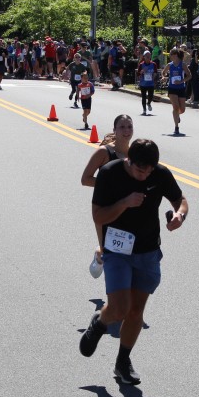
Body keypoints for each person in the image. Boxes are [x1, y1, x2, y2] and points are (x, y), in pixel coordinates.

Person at [79, 139, 188, 385]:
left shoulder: (159, 173)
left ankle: (122, 362)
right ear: (129, 161)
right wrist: (124, 203)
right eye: (140, 170)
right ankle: (100, 322)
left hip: (148, 251)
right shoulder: (110, 173)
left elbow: (180, 200)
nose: (145, 175)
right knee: (119, 309)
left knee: (136, 310)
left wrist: (180, 216)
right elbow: (98, 215)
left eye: (149, 171)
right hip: (117, 249)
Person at [81, 114, 134, 279]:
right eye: (122, 127)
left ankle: (122, 285)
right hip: (104, 207)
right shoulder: (104, 152)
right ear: (114, 130)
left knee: (128, 249)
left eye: (129, 127)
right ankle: (100, 255)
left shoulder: (134, 153)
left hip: (127, 207)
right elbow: (85, 179)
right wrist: (111, 185)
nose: (126, 131)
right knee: (108, 249)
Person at [164, 49, 191, 136]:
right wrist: (164, 77)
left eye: (171, 55)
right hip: (172, 88)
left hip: (181, 88)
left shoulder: (182, 64)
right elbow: (164, 73)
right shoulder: (169, 65)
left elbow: (189, 76)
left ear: (175, 55)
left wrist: (181, 81)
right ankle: (176, 127)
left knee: (182, 110)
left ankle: (176, 115)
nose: (170, 56)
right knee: (175, 107)